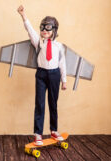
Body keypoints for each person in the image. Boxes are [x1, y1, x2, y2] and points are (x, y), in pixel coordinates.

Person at [17, 5, 67, 146]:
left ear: (54, 30)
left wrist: (64, 80)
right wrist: (23, 15)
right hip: (41, 74)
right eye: (42, 27)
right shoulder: (38, 42)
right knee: (39, 104)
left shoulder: (59, 46)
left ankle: (53, 130)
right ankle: (38, 134)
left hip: (55, 74)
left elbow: (62, 63)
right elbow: (29, 29)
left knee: (53, 103)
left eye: (48, 28)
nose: (44, 30)